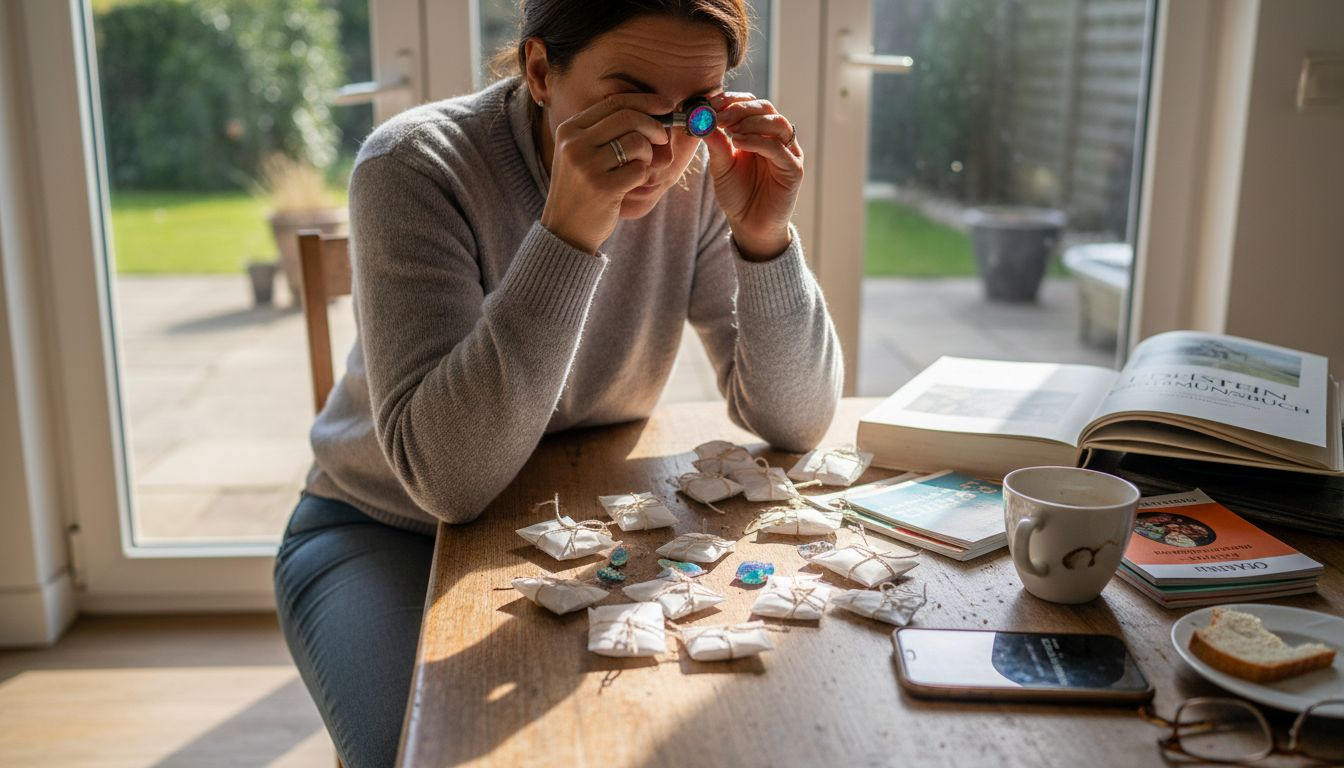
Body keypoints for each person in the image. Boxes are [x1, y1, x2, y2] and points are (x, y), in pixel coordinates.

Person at [273, 2, 842, 766]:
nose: (663, 147)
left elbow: (797, 420)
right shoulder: (413, 166)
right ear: (540, 71)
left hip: (585, 515)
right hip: (385, 528)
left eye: (693, 111)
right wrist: (570, 231)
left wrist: (766, 241)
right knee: (425, 752)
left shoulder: (705, 177)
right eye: (629, 98)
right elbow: (450, 483)